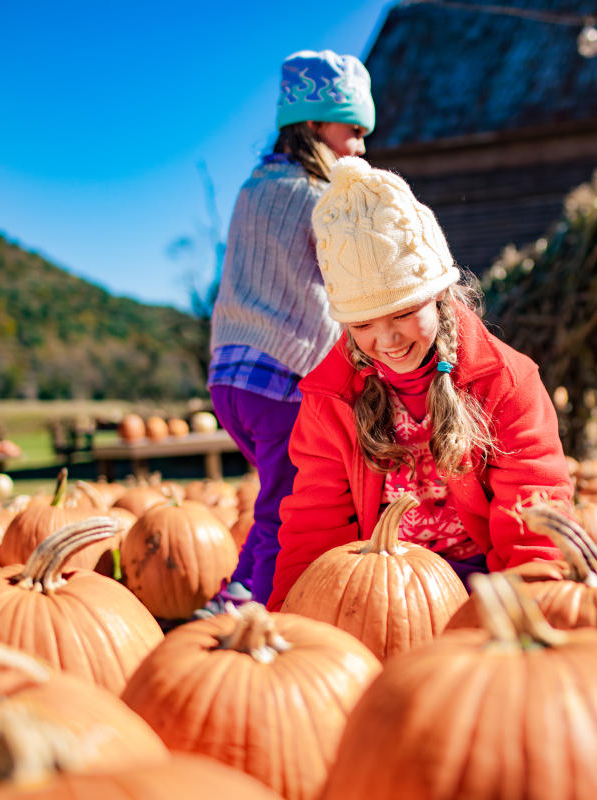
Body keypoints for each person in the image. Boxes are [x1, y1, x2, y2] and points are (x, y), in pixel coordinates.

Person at [266, 156, 571, 611]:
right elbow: (316, 524)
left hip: (486, 590)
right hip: (378, 594)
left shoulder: (505, 382)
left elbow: (532, 514)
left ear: (440, 297)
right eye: (363, 324)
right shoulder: (330, 399)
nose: (387, 340)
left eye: (405, 313)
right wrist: (291, 618)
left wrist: (531, 615)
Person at [207, 50, 375, 604]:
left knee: (281, 496)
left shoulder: (254, 187)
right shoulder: (320, 197)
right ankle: (246, 608)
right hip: (283, 375)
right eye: (353, 130)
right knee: (292, 504)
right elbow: (351, 278)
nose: (361, 146)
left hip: (231, 376)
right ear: (313, 125)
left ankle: (239, 593)